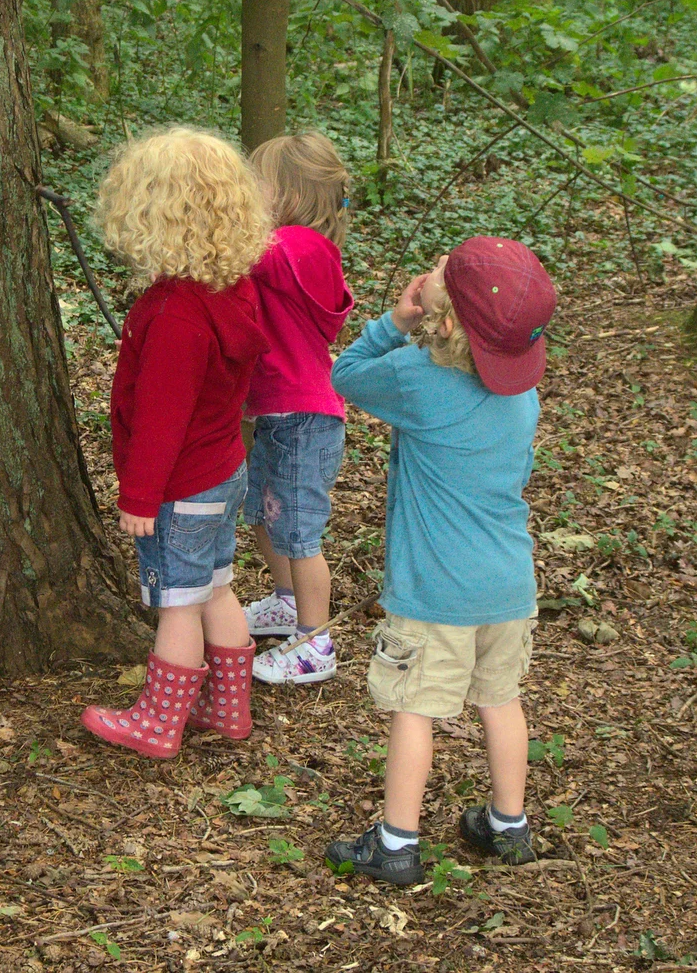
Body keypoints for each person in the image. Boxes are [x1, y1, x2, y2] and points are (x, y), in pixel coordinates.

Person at [324, 238, 556, 883]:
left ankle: (396, 843)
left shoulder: (416, 377)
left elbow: (343, 376)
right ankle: (508, 827)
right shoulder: (522, 394)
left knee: (415, 708)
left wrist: (394, 322)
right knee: (501, 700)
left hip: (437, 591)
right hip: (509, 583)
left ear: (446, 321)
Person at [80, 126, 271, 758]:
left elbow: (162, 419)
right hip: (222, 471)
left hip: (182, 485)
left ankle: (159, 724)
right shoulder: (234, 291)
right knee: (216, 587)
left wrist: (139, 496)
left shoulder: (174, 316)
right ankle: (229, 708)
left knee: (178, 605)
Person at [236, 133, 358, 685]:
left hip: (304, 418)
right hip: (280, 415)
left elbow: (243, 253)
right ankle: (287, 605)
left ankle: (316, 643)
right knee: (264, 514)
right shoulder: (288, 247)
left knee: (301, 534)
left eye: (257, 183)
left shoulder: (301, 246)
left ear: (289, 194)